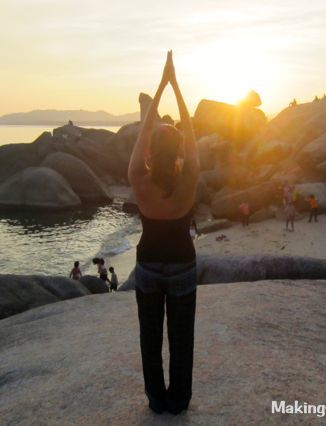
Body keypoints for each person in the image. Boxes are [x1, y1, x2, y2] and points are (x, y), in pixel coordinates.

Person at [128, 51, 199, 415]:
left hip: (149, 266)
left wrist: (160, 87)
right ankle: (179, 401)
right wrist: (176, 87)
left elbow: (142, 137)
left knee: (150, 338)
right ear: (180, 151)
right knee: (181, 339)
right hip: (184, 265)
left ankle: (157, 400)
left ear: (153, 149)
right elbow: (190, 131)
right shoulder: (189, 177)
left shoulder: (139, 179)